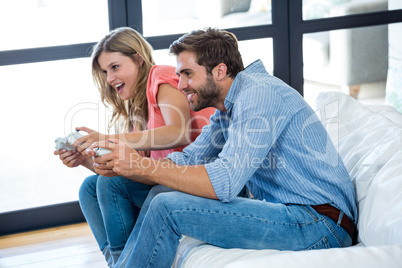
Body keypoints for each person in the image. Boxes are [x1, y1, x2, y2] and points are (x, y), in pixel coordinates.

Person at [89, 28, 358, 268]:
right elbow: (188, 159)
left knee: (166, 205)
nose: (181, 85)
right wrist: (123, 164)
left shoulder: (259, 94)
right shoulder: (227, 110)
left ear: (219, 70)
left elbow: (226, 182)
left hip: (319, 224)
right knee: (116, 185)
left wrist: (142, 166)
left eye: (187, 74)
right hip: (293, 216)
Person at [53, 27, 215, 267]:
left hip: (194, 178)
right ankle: (118, 262)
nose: (109, 79)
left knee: (109, 183)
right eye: (105, 71)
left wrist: (109, 138)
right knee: (89, 188)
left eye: (115, 67)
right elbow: (127, 172)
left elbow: (179, 132)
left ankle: (124, 263)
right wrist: (83, 160)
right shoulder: (138, 108)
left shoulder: (161, 77)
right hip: (165, 178)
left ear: (139, 59)